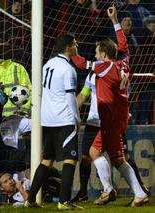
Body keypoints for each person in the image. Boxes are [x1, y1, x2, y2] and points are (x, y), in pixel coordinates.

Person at [71, 6, 148, 207]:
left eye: (97, 53)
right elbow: (123, 45)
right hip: (121, 116)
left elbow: (81, 63)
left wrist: (70, 52)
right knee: (116, 158)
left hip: (110, 117)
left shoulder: (104, 66)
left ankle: (108, 189)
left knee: (94, 153)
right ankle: (139, 193)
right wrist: (114, 20)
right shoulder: (123, 63)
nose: (96, 56)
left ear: (104, 54)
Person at [71, 71, 150, 203]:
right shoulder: (93, 74)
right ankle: (84, 193)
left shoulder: (117, 73)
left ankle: (136, 188)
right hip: (94, 121)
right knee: (86, 157)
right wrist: (72, 111)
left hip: (109, 120)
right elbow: (83, 95)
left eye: (97, 53)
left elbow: (124, 95)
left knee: (121, 157)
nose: (96, 58)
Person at [25, 34, 82, 210]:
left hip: (48, 119)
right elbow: (70, 97)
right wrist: (77, 118)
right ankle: (64, 201)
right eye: (74, 43)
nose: (77, 45)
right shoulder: (68, 69)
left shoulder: (47, 65)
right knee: (70, 159)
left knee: (47, 159)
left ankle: (30, 199)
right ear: (67, 47)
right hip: (64, 118)